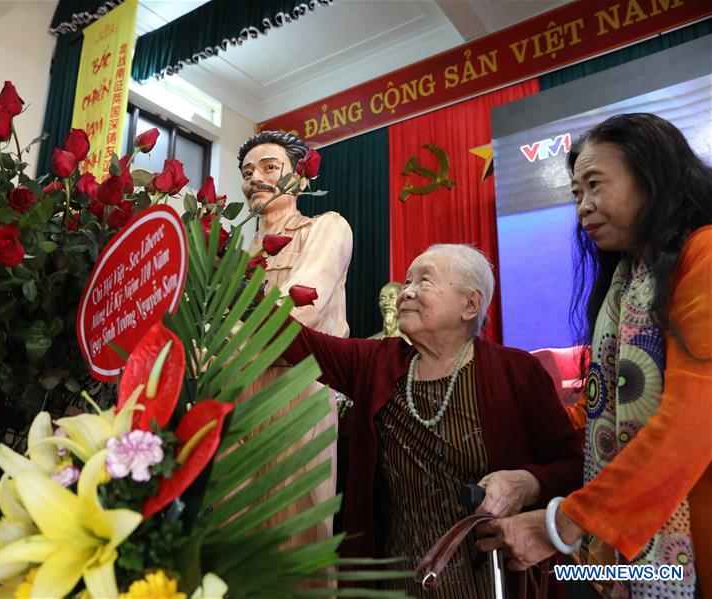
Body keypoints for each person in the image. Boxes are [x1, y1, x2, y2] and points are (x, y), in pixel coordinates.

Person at [477, 113, 712, 598]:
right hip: (624, 546)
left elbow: (693, 422)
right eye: (576, 193)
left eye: (595, 185)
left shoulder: (704, 255)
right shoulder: (627, 279)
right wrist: (529, 473)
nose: (583, 206)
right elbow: (601, 407)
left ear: (653, 177)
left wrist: (558, 525)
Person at [281, 243, 583, 597]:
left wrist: (527, 482)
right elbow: (295, 341)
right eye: (407, 280)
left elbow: (573, 467)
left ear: (470, 305)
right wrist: (235, 283)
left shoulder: (517, 373)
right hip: (399, 586)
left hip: (492, 583)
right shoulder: (376, 363)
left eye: (423, 281)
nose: (405, 291)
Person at [236, 131, 353, 547]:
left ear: (301, 180)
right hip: (237, 394)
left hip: (297, 393)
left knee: (296, 533)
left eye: (270, 167)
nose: (256, 179)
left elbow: (300, 306)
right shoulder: (239, 254)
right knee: (236, 534)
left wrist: (219, 347)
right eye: (248, 172)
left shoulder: (326, 228)